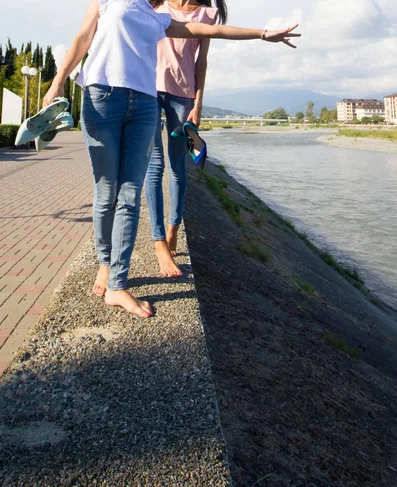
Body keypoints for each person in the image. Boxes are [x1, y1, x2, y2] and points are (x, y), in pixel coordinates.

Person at [43, 0, 300, 318]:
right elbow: (83, 37)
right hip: (102, 98)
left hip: (144, 105)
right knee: (106, 190)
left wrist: (262, 33)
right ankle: (105, 263)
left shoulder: (159, 19)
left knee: (130, 195)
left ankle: (118, 285)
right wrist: (57, 82)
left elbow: (214, 29)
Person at [146, 0, 226, 278]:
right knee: (153, 167)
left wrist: (198, 104)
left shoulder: (207, 14)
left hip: (183, 96)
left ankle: (173, 228)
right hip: (149, 90)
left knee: (177, 167)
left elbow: (201, 60)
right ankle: (159, 240)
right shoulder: (156, 5)